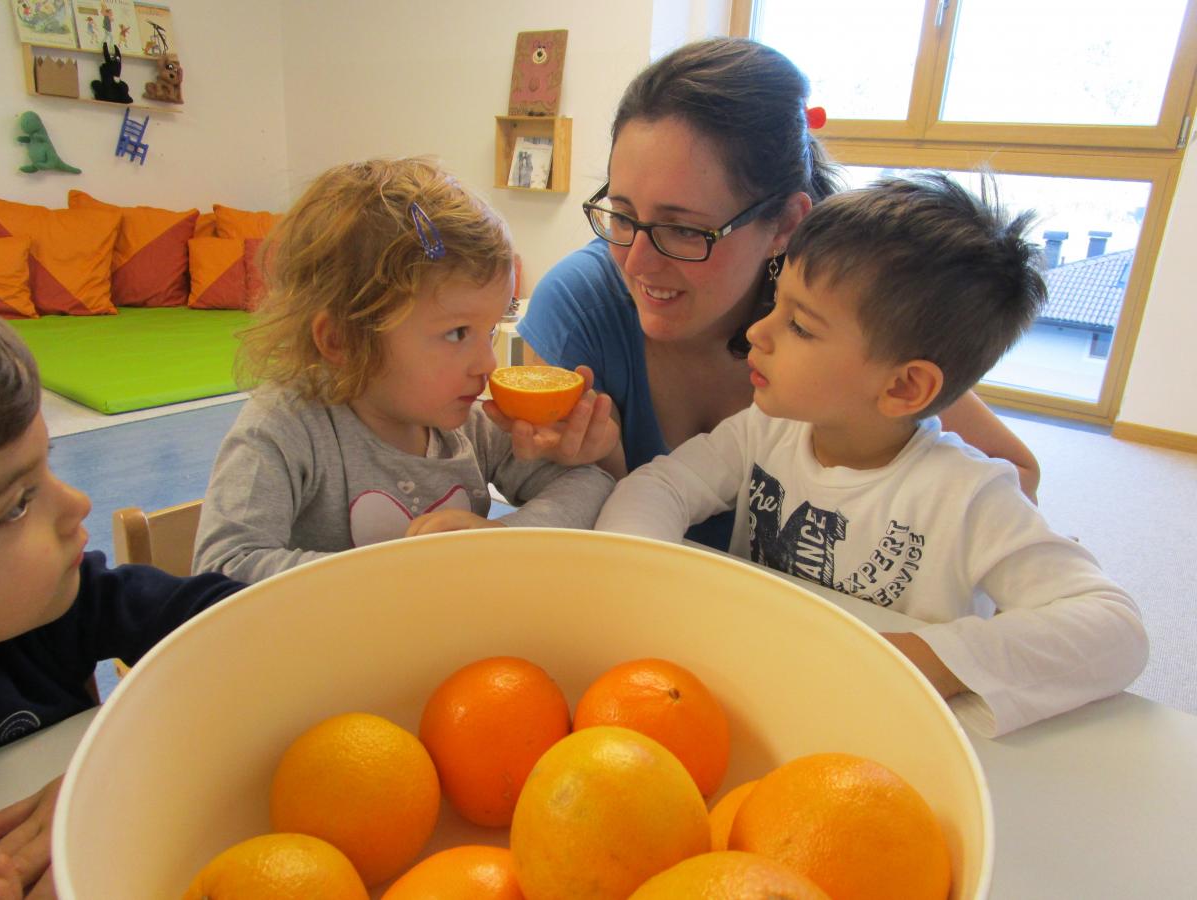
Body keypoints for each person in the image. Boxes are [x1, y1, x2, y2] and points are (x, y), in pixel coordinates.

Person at [595, 172, 1148, 737]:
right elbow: (658, 486)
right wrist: (646, 584)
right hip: (769, 697)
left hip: (887, 725)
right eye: (775, 301)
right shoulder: (765, 430)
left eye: (800, 326)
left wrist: (918, 657)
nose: (758, 332)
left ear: (905, 388)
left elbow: (1116, 629)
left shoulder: (970, 495)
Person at [512, 37, 1041, 549]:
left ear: (785, 224)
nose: (636, 260)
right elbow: (592, 536)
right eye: (623, 214)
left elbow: (1015, 474)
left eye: (685, 229)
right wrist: (601, 463)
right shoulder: (577, 309)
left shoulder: (846, 306)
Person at [193, 158, 614, 583]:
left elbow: (589, 483)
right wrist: (405, 571)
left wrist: (501, 534)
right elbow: (222, 569)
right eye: (456, 334)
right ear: (343, 339)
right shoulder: (286, 430)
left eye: (488, 333)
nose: (488, 365)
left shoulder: (469, 425)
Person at [0, 319, 245, 898]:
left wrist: (114, 765)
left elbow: (242, 626)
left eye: (48, 466)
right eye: (16, 504)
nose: (78, 502)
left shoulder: (72, 599)